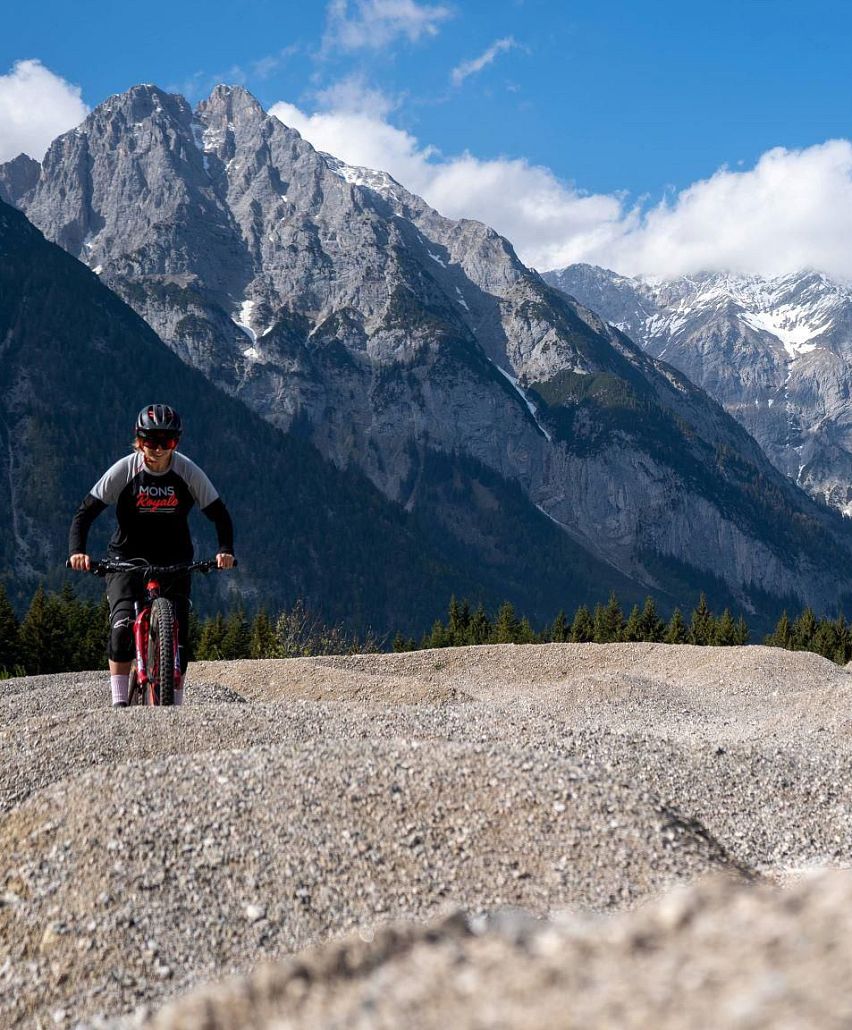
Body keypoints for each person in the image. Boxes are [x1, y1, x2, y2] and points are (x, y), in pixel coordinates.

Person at [68, 404, 235, 707]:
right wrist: (77, 552)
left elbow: (220, 515)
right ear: (138, 439)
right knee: (121, 630)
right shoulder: (126, 470)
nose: (157, 449)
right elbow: (84, 514)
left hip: (175, 559)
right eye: (150, 441)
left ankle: (177, 707)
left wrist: (225, 550)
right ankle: (119, 704)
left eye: (166, 442)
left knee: (180, 641)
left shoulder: (187, 471)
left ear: (177, 443)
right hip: (125, 558)